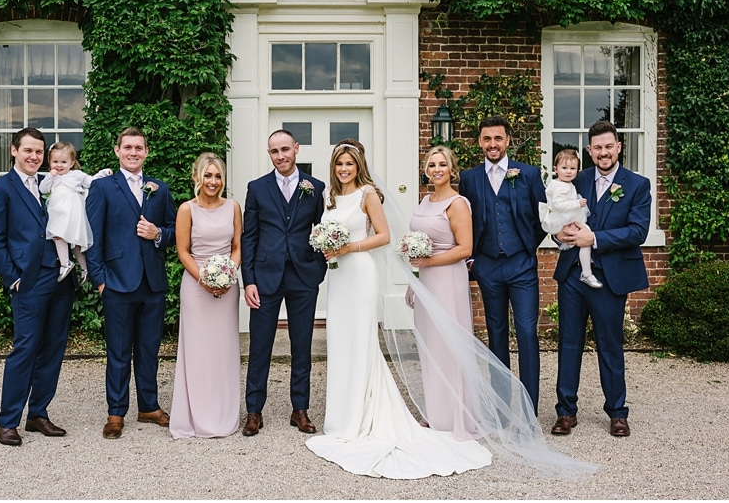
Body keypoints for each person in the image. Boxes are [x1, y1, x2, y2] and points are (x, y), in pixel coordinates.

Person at [305, 140, 492, 479]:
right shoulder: (328, 198)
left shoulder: (368, 195)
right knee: (341, 342)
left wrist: (348, 247)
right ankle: (342, 415)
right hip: (339, 278)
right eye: (339, 164)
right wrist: (327, 244)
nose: (344, 169)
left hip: (360, 272)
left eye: (349, 163)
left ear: (358, 165)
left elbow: (385, 236)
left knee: (361, 342)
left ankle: (363, 416)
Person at [551, 121, 651, 438]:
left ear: (618, 146)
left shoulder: (636, 184)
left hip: (610, 278)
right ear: (590, 150)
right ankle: (566, 412)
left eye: (609, 146)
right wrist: (558, 234)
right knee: (568, 344)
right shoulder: (574, 180)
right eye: (597, 147)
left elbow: (638, 231)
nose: (603, 152)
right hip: (571, 277)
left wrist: (594, 238)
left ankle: (617, 413)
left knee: (610, 346)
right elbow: (557, 214)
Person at [0, 127, 74, 446]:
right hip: (29, 280)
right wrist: (13, 277)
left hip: (61, 278)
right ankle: (7, 421)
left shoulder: (52, 184)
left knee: (54, 347)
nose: (34, 157)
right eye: (28, 151)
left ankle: (38, 414)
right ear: (14, 151)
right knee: (26, 348)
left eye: (38, 152)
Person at [85, 127, 177, 439]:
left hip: (152, 284)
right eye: (128, 147)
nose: (133, 152)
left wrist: (158, 234)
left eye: (139, 147)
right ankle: (115, 412)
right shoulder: (102, 188)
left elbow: (175, 230)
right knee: (119, 351)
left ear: (146, 152)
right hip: (117, 284)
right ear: (117, 151)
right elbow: (92, 237)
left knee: (150, 349)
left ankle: (149, 406)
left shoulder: (159, 189)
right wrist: (100, 281)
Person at [458, 115, 548, 415]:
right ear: (480, 143)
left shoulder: (528, 174)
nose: (492, 144)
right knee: (496, 335)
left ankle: (529, 409)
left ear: (507, 140)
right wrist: (473, 259)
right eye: (487, 139)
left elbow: (542, 220)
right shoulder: (470, 178)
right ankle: (501, 410)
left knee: (526, 332)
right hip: (487, 267)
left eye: (498, 138)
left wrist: (525, 245)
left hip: (522, 265)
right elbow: (465, 221)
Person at [240, 129, 326, 437]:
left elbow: (321, 228)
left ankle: (299, 409)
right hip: (265, 277)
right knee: (260, 345)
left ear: (296, 149)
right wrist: (248, 279)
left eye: (285, 149)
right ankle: (254, 411)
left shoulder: (315, 187)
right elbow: (249, 236)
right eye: (274, 151)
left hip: (303, 276)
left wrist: (320, 264)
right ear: (270, 154)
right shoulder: (257, 188)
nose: (281, 156)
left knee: (301, 345)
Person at [405, 145, 478, 440]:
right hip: (426, 280)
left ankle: (457, 415)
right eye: (432, 165)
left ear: (451, 169)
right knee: (430, 346)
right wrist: (414, 280)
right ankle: (436, 412)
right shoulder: (424, 201)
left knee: (450, 346)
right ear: (426, 170)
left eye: (442, 164)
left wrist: (428, 262)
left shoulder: (457, 203)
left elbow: (465, 249)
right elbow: (418, 247)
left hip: (449, 280)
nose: (436, 169)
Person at [169, 153, 243, 438]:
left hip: (227, 287)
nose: (213, 181)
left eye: (218, 176)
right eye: (208, 175)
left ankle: (224, 414)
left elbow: (237, 246)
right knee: (198, 351)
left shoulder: (234, 207)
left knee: (223, 350)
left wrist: (228, 274)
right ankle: (196, 415)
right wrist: (205, 279)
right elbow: (183, 251)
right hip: (196, 287)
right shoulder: (187, 209)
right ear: (196, 177)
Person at [37, 141, 112, 283]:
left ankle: (84, 268)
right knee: (58, 235)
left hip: (73, 211)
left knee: (75, 242)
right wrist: (50, 176)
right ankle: (66, 264)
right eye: (55, 162)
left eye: (63, 162)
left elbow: (92, 182)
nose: (59, 165)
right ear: (49, 162)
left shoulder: (76, 174)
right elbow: (43, 189)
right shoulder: (52, 178)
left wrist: (102, 173)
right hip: (58, 211)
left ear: (71, 163)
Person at [538, 149, 602, 289]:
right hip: (562, 217)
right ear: (556, 169)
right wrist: (577, 204)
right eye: (564, 168)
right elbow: (558, 204)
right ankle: (586, 272)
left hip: (567, 216)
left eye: (573, 168)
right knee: (585, 236)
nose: (568, 172)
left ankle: (586, 268)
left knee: (584, 238)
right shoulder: (558, 186)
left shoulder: (565, 183)